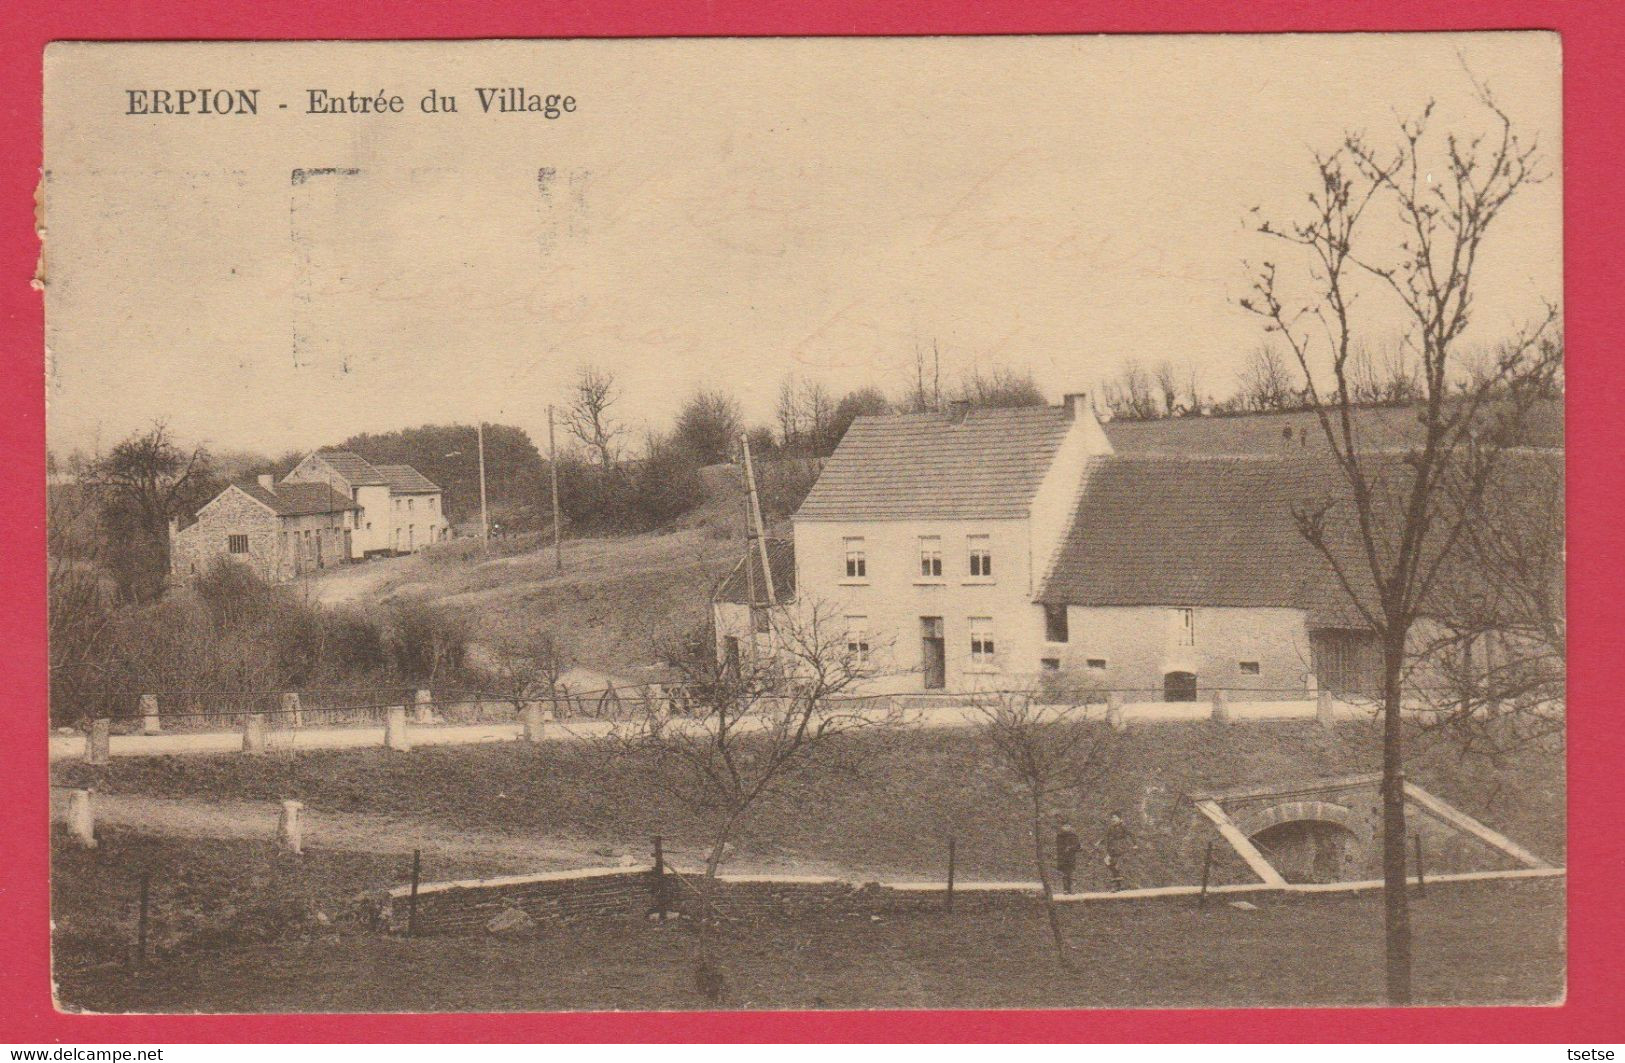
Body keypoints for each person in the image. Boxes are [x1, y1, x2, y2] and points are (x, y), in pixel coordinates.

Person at [1103, 811, 1135, 891]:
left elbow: (1131, 834)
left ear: (1120, 818)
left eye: (1115, 817)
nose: (1113, 819)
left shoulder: (1123, 826)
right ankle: (1118, 883)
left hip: (1121, 847)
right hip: (1112, 848)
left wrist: (1135, 844)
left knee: (1117, 865)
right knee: (1108, 862)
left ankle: (1118, 885)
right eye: (1112, 818)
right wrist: (1099, 842)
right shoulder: (1111, 827)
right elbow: (1106, 836)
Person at [1055, 819, 1081, 894]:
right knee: (1065, 874)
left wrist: (1071, 848)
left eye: (1068, 826)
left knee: (1069, 874)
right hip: (1062, 858)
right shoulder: (1059, 836)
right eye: (1065, 826)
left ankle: (1069, 889)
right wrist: (1064, 849)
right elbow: (1059, 847)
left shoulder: (1073, 836)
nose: (1067, 827)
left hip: (1071, 858)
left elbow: (1078, 846)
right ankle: (1066, 889)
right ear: (1062, 827)